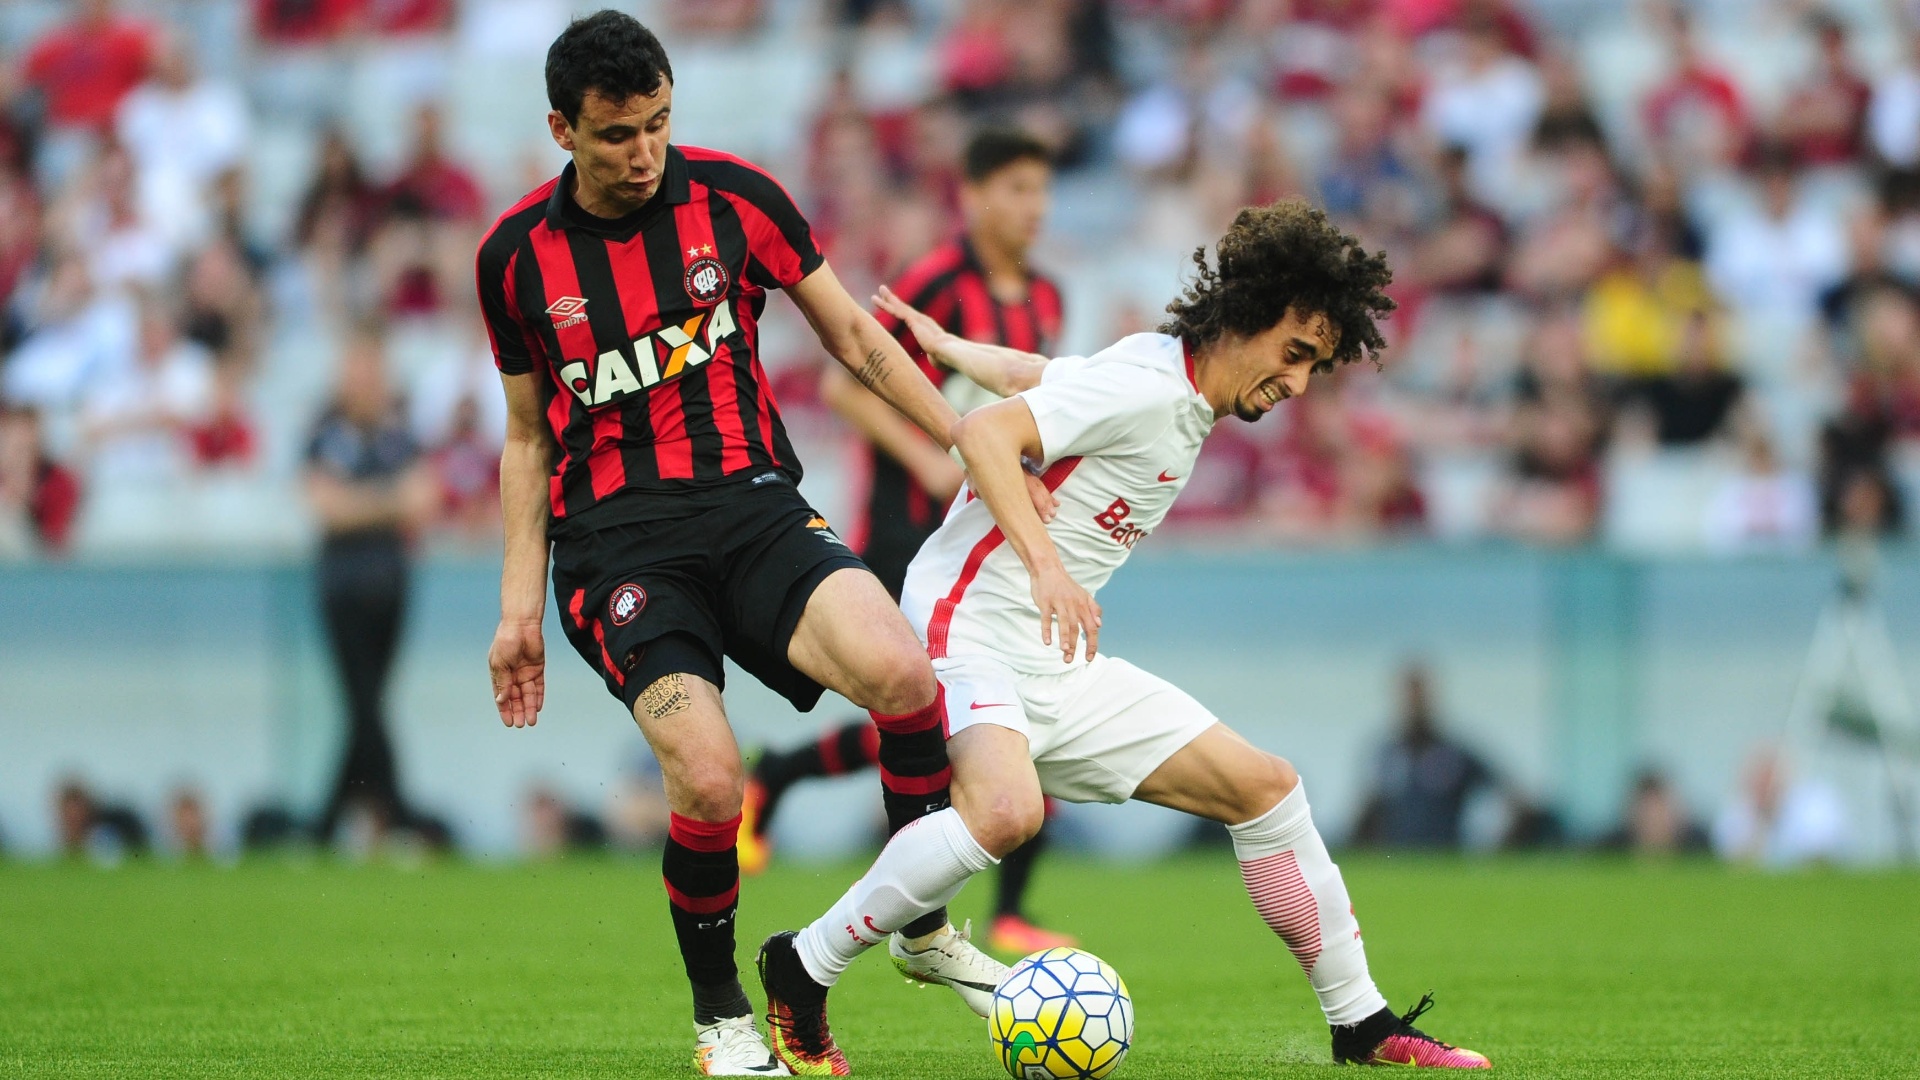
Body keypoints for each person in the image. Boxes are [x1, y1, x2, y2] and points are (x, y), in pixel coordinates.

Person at [755, 201, 1489, 1073]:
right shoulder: (1150, 387)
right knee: (1006, 811)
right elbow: (987, 434)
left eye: (1317, 368)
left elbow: (1049, 376)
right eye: (1295, 354)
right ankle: (802, 966)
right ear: (1246, 318)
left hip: (1052, 655)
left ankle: (1361, 1024)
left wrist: (956, 352)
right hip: (970, 622)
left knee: (1266, 788)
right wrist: (1044, 564)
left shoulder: (1164, 375)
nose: (1298, 385)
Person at [477, 12, 1026, 1074]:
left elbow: (855, 338)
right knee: (713, 783)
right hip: (620, 551)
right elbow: (525, 435)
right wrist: (517, 610)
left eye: (658, 125)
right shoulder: (514, 259)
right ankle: (725, 1020)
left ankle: (919, 928)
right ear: (562, 131)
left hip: (753, 505)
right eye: (616, 135)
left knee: (904, 671)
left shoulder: (734, 198)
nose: (643, 155)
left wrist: (963, 439)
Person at [743, 127, 1075, 956]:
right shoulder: (938, 282)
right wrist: (934, 459)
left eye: (1041, 190)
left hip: (985, 531)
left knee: (1019, 696)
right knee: (925, 710)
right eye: (1015, 190)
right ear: (972, 195)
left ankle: (1007, 909)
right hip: (904, 532)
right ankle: (782, 782)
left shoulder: (1048, 297)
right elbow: (842, 386)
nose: (1032, 208)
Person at [304, 329, 439, 847]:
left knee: (368, 704)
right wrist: (388, 501)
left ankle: (326, 822)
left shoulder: (401, 435)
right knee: (365, 703)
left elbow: (424, 500)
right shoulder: (324, 435)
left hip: (391, 587)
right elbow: (325, 507)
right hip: (339, 590)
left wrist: (357, 502)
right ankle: (398, 813)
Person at [1351, 662, 1499, 849]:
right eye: (1410, 697)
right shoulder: (1386, 755)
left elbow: (1505, 796)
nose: (1415, 705)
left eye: (1420, 697)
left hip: (1446, 857)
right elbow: (1369, 810)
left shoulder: (1454, 755)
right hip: (1395, 860)